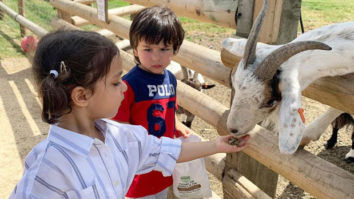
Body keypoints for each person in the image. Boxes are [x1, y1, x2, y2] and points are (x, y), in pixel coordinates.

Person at [10, 30, 250, 199]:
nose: (125, 86)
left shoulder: (120, 136)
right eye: (116, 83)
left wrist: (217, 145)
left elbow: (168, 150)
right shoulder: (49, 170)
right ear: (82, 96)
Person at [111, 6, 193, 198]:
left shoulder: (170, 79)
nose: (156, 57)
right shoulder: (128, 85)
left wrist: (176, 126)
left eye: (164, 49)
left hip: (163, 163)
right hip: (139, 167)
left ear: (175, 49)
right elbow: (120, 128)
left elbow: (167, 109)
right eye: (148, 49)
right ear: (136, 49)